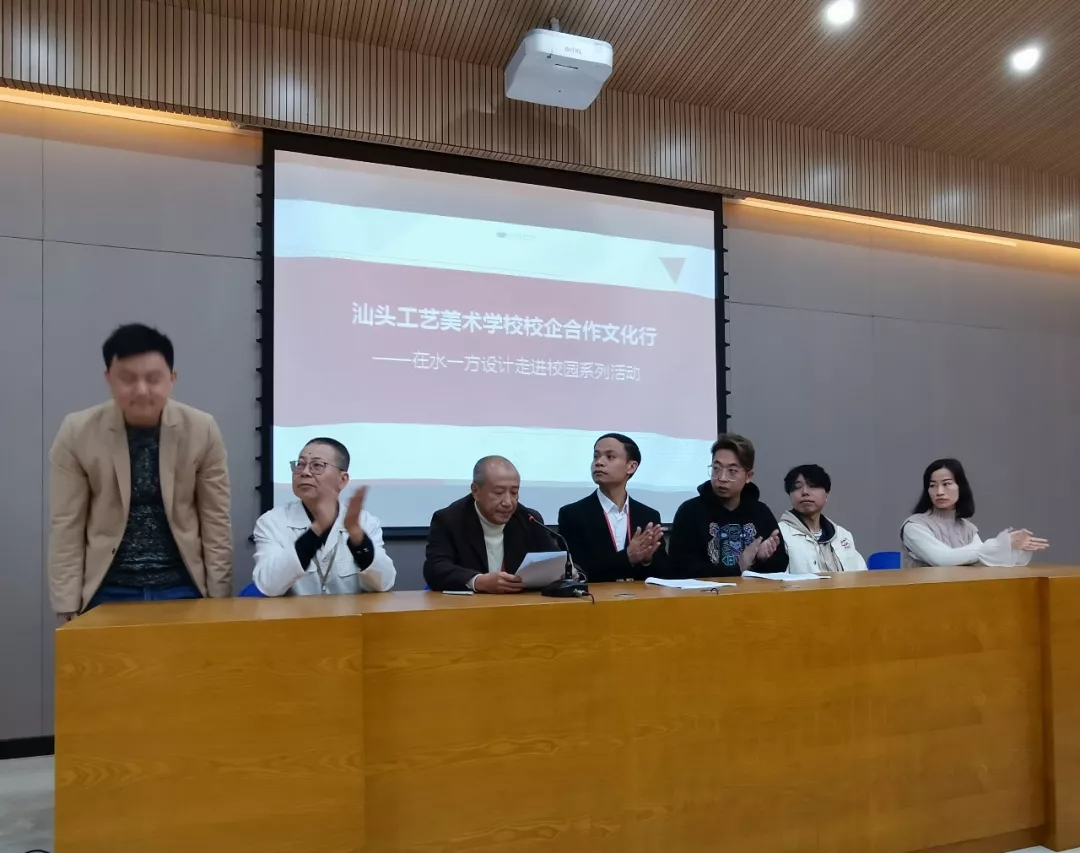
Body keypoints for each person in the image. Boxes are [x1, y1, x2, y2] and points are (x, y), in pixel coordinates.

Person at [48, 324, 233, 621]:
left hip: (183, 586)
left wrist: (220, 597)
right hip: (107, 589)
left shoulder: (202, 430)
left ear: (172, 379)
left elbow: (216, 521)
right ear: (109, 379)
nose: (142, 390)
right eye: (128, 378)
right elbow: (67, 524)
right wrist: (66, 602)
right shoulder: (77, 432)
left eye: (153, 378)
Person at [252, 438, 396, 595]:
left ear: (343, 479)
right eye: (300, 464)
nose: (305, 472)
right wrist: (316, 530)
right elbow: (268, 586)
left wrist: (356, 536)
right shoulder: (272, 522)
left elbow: (384, 583)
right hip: (295, 611)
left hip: (349, 611)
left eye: (317, 466)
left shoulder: (365, 522)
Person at [423, 456, 559, 593]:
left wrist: (563, 572)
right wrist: (477, 581)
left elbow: (556, 561)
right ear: (475, 491)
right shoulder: (449, 519)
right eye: (498, 493)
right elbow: (435, 569)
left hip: (517, 602)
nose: (508, 502)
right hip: (469, 604)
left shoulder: (528, 519)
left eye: (514, 492)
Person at [668, 433, 788, 577]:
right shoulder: (690, 512)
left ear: (748, 476)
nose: (722, 478)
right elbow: (680, 567)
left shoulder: (761, 512)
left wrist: (762, 559)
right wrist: (738, 567)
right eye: (716, 468)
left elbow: (781, 564)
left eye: (732, 471)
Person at [557, 433, 667, 582]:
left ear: (631, 466)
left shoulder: (648, 516)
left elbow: (664, 573)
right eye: (596, 456)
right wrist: (627, 557)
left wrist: (647, 560)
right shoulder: (572, 514)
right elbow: (577, 571)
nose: (599, 462)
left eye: (610, 457)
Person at [901, 458, 1048, 568]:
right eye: (933, 486)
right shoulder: (914, 526)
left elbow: (982, 560)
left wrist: (1013, 548)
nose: (939, 492)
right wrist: (999, 545)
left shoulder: (967, 528)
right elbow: (942, 559)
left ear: (960, 487)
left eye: (946, 484)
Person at [778, 464, 866, 574]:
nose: (805, 492)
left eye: (812, 485)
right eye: (797, 487)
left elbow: (861, 575)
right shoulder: (779, 535)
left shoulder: (842, 535)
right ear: (790, 495)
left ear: (826, 495)